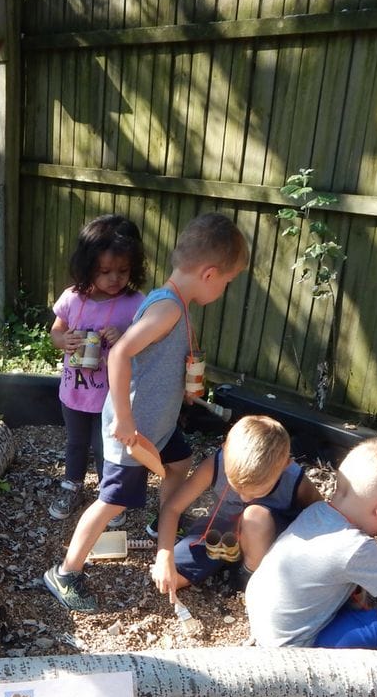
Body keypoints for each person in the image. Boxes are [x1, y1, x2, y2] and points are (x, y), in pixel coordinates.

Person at [43, 212, 250, 612]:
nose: (225, 288)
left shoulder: (173, 304)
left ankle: (163, 525)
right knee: (112, 500)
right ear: (209, 274)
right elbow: (120, 354)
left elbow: (156, 360)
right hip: (134, 428)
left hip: (160, 422)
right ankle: (66, 571)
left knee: (181, 460)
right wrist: (122, 418)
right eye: (228, 281)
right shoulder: (168, 308)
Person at [245, 436, 377, 655]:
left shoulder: (317, 512)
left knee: (355, 592)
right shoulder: (356, 550)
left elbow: (353, 528)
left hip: (267, 623)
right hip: (295, 649)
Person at [151, 415, 322, 601]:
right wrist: (164, 557)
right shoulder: (217, 463)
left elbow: (323, 514)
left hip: (269, 540)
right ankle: (228, 565)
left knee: (255, 516)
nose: (244, 497)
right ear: (225, 452)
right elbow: (172, 508)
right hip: (224, 533)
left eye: (257, 492)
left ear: (284, 465)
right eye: (236, 487)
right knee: (170, 578)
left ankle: (247, 578)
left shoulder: (294, 479)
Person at [48, 214, 146, 521]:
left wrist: (125, 340)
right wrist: (65, 341)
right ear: (87, 266)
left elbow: (144, 346)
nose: (115, 278)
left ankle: (110, 496)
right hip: (74, 392)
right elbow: (55, 332)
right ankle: (72, 485)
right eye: (105, 271)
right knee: (76, 442)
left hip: (112, 397)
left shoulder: (136, 303)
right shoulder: (73, 298)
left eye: (123, 271)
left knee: (107, 447)